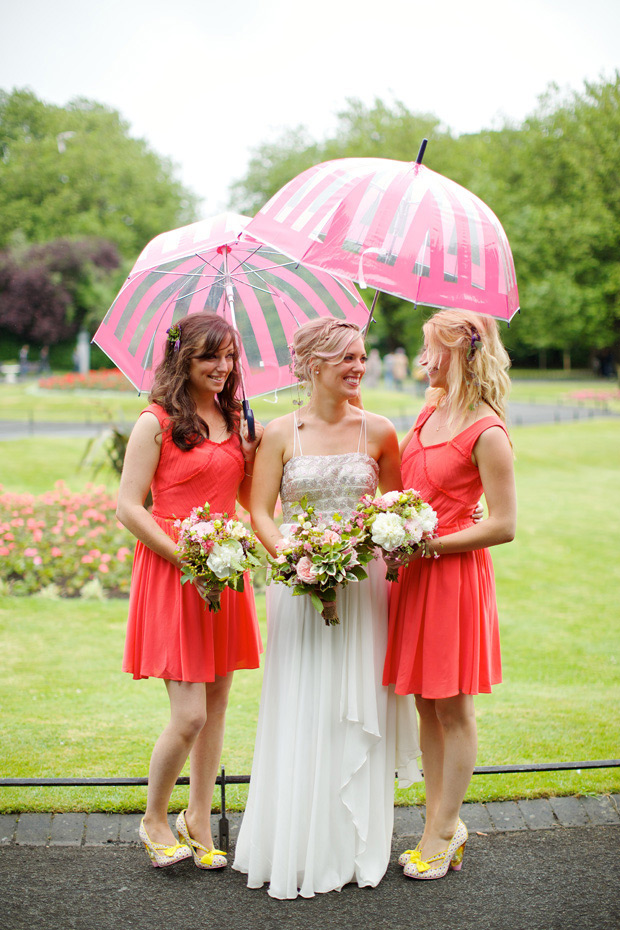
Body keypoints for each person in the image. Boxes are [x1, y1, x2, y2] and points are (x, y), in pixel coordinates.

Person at [233, 318, 421, 899]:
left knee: (355, 707)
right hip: (299, 587)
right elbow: (262, 510)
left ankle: (355, 845)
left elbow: (393, 510)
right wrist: (298, 560)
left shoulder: (382, 432)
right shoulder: (280, 434)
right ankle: (294, 844)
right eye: (347, 359)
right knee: (303, 705)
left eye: (361, 358)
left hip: (363, 592)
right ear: (313, 364)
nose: (358, 368)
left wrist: (375, 548)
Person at [116, 312, 263, 870]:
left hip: (225, 571)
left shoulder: (234, 418)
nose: (224, 368)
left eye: (230, 356)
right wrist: (186, 557)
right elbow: (130, 507)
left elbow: (243, 496)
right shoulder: (153, 422)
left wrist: (248, 455)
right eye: (211, 357)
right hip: (175, 569)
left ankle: (197, 817)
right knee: (190, 715)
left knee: (219, 704)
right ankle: (154, 819)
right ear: (183, 359)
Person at [383, 308, 516, 881]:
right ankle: (436, 821)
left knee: (454, 706)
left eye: (429, 349)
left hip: (452, 576)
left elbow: (504, 524)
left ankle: (444, 828)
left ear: (459, 353)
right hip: (414, 576)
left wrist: (431, 544)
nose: (421, 359)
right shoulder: (429, 410)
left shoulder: (487, 431)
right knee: (424, 702)